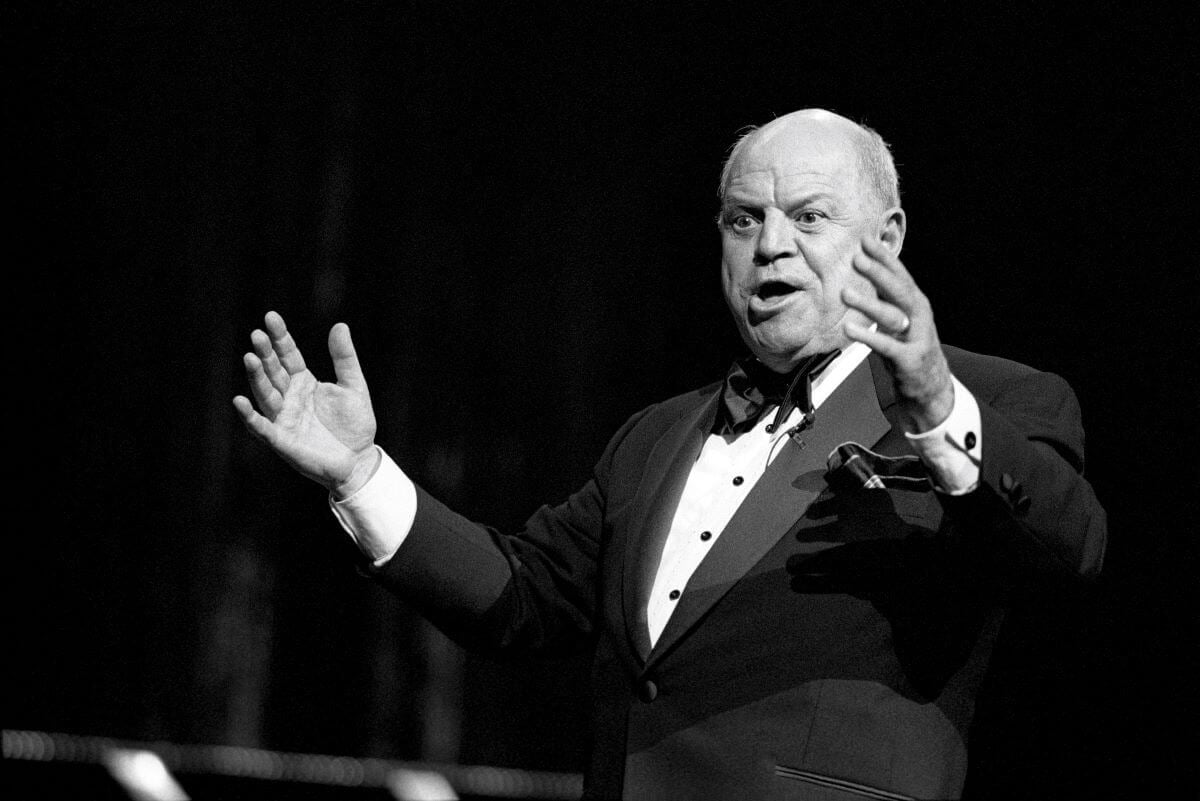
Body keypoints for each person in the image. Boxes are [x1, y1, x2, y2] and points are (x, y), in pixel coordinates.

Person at [234, 108, 1106, 800]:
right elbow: (524, 596)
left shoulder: (994, 399)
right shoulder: (656, 437)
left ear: (887, 235)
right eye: (743, 218)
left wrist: (937, 410)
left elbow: (1069, 547)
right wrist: (359, 473)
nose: (770, 245)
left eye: (808, 217)